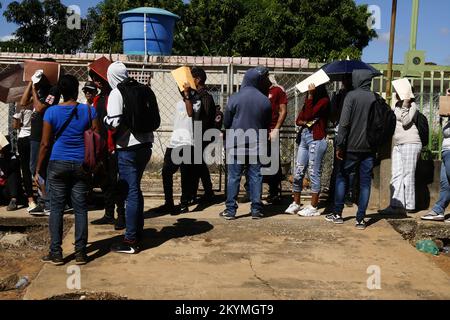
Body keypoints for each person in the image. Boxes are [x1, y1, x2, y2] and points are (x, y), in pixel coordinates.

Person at [36, 74, 99, 266]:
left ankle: (56, 253)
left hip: (58, 163)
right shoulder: (89, 111)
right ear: (76, 90)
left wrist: (38, 168)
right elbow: (96, 138)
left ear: (61, 92)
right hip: (82, 163)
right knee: (80, 208)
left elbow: (46, 144)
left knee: (56, 208)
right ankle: (80, 253)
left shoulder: (51, 112)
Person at [104, 62, 155, 254]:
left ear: (112, 77)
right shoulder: (142, 89)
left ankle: (131, 240)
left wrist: (104, 120)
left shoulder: (117, 93)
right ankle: (137, 230)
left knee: (130, 192)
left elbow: (114, 122)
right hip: (146, 146)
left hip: (127, 148)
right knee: (135, 189)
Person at [325, 69, 377, 230]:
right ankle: (360, 219)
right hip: (369, 148)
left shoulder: (351, 96)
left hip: (350, 147)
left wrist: (340, 145)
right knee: (365, 183)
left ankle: (338, 214)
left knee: (342, 177)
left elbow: (344, 124)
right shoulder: (376, 98)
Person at [221, 67, 272, 220]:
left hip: (236, 144)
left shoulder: (235, 98)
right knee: (256, 176)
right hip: (256, 144)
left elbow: (227, 122)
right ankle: (256, 210)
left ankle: (230, 211)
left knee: (234, 177)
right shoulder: (264, 100)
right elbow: (266, 123)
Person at [89, 65, 127, 231]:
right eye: (94, 78)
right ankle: (109, 212)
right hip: (101, 145)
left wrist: (111, 144)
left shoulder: (115, 95)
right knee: (104, 180)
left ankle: (121, 215)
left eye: (98, 78)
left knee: (115, 181)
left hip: (113, 145)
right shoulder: (98, 99)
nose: (96, 81)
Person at [285, 84, 329, 216]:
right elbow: (299, 119)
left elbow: (309, 115)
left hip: (316, 138)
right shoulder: (308, 101)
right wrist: (305, 120)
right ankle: (296, 203)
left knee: (313, 173)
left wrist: (310, 96)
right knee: (298, 172)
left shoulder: (323, 101)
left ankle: (313, 206)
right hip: (304, 137)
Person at [21, 69, 61, 214]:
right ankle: (45, 200)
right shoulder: (39, 90)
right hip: (35, 135)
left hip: (43, 135)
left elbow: (40, 108)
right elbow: (23, 102)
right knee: (35, 169)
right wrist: (31, 83)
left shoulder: (53, 90)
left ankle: (48, 201)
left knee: (41, 168)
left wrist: (33, 89)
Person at [379, 92, 422, 215]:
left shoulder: (412, 105)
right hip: (398, 143)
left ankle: (409, 205)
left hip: (411, 142)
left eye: (398, 92)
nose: (396, 94)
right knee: (396, 174)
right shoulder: (396, 105)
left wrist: (406, 103)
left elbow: (406, 121)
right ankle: (396, 204)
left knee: (408, 175)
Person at [159, 84, 195, 214]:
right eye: (181, 89)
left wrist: (187, 95)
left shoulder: (196, 102)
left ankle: (184, 203)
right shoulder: (178, 103)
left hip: (187, 142)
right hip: (175, 142)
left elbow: (190, 113)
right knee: (166, 172)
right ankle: (169, 202)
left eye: (184, 89)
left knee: (186, 174)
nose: (182, 91)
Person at [421, 88, 450, 223]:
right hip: (446, 151)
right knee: (446, 184)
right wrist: (447, 98)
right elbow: (443, 114)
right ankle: (438, 210)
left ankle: (438, 209)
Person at [327, 75, 356, 208]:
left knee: (339, 166)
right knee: (349, 167)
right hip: (352, 134)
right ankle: (346, 195)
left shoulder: (339, 96)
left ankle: (335, 195)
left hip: (341, 132)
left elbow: (332, 114)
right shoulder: (352, 96)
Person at [190, 67, 216, 205]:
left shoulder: (205, 96)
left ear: (198, 79)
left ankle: (207, 192)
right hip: (198, 135)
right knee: (197, 165)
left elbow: (204, 119)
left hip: (202, 135)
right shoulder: (195, 95)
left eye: (192, 78)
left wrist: (197, 136)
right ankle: (204, 192)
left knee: (198, 165)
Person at [265, 76, 288, 204]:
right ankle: (251, 191)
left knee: (273, 162)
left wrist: (276, 129)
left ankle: (274, 192)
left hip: (272, 130)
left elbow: (283, 111)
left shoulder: (277, 91)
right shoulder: (258, 90)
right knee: (255, 161)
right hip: (259, 131)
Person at [12, 109, 36, 212]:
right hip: (36, 137)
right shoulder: (40, 102)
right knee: (38, 168)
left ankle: (31, 201)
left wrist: (23, 124)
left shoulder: (21, 104)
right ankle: (44, 197)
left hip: (23, 137)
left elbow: (15, 125)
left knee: (26, 170)